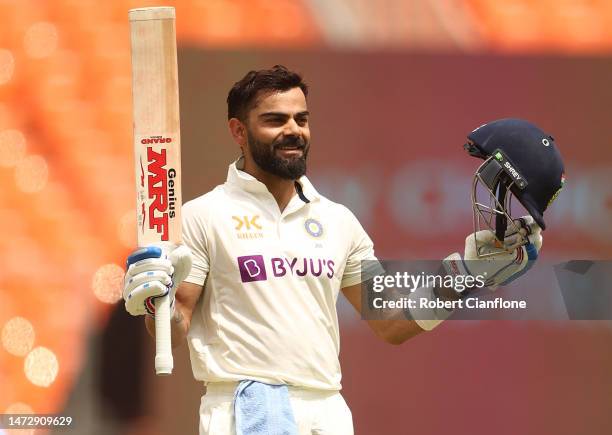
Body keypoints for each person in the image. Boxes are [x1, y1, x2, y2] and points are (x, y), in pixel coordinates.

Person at [122, 66, 564, 434]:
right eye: (275, 120)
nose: (293, 130)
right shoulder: (203, 215)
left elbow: (390, 322)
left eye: (301, 118)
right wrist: (153, 303)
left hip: (327, 412)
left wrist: (466, 273)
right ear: (238, 131)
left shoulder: (337, 220)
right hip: (242, 409)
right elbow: (174, 326)